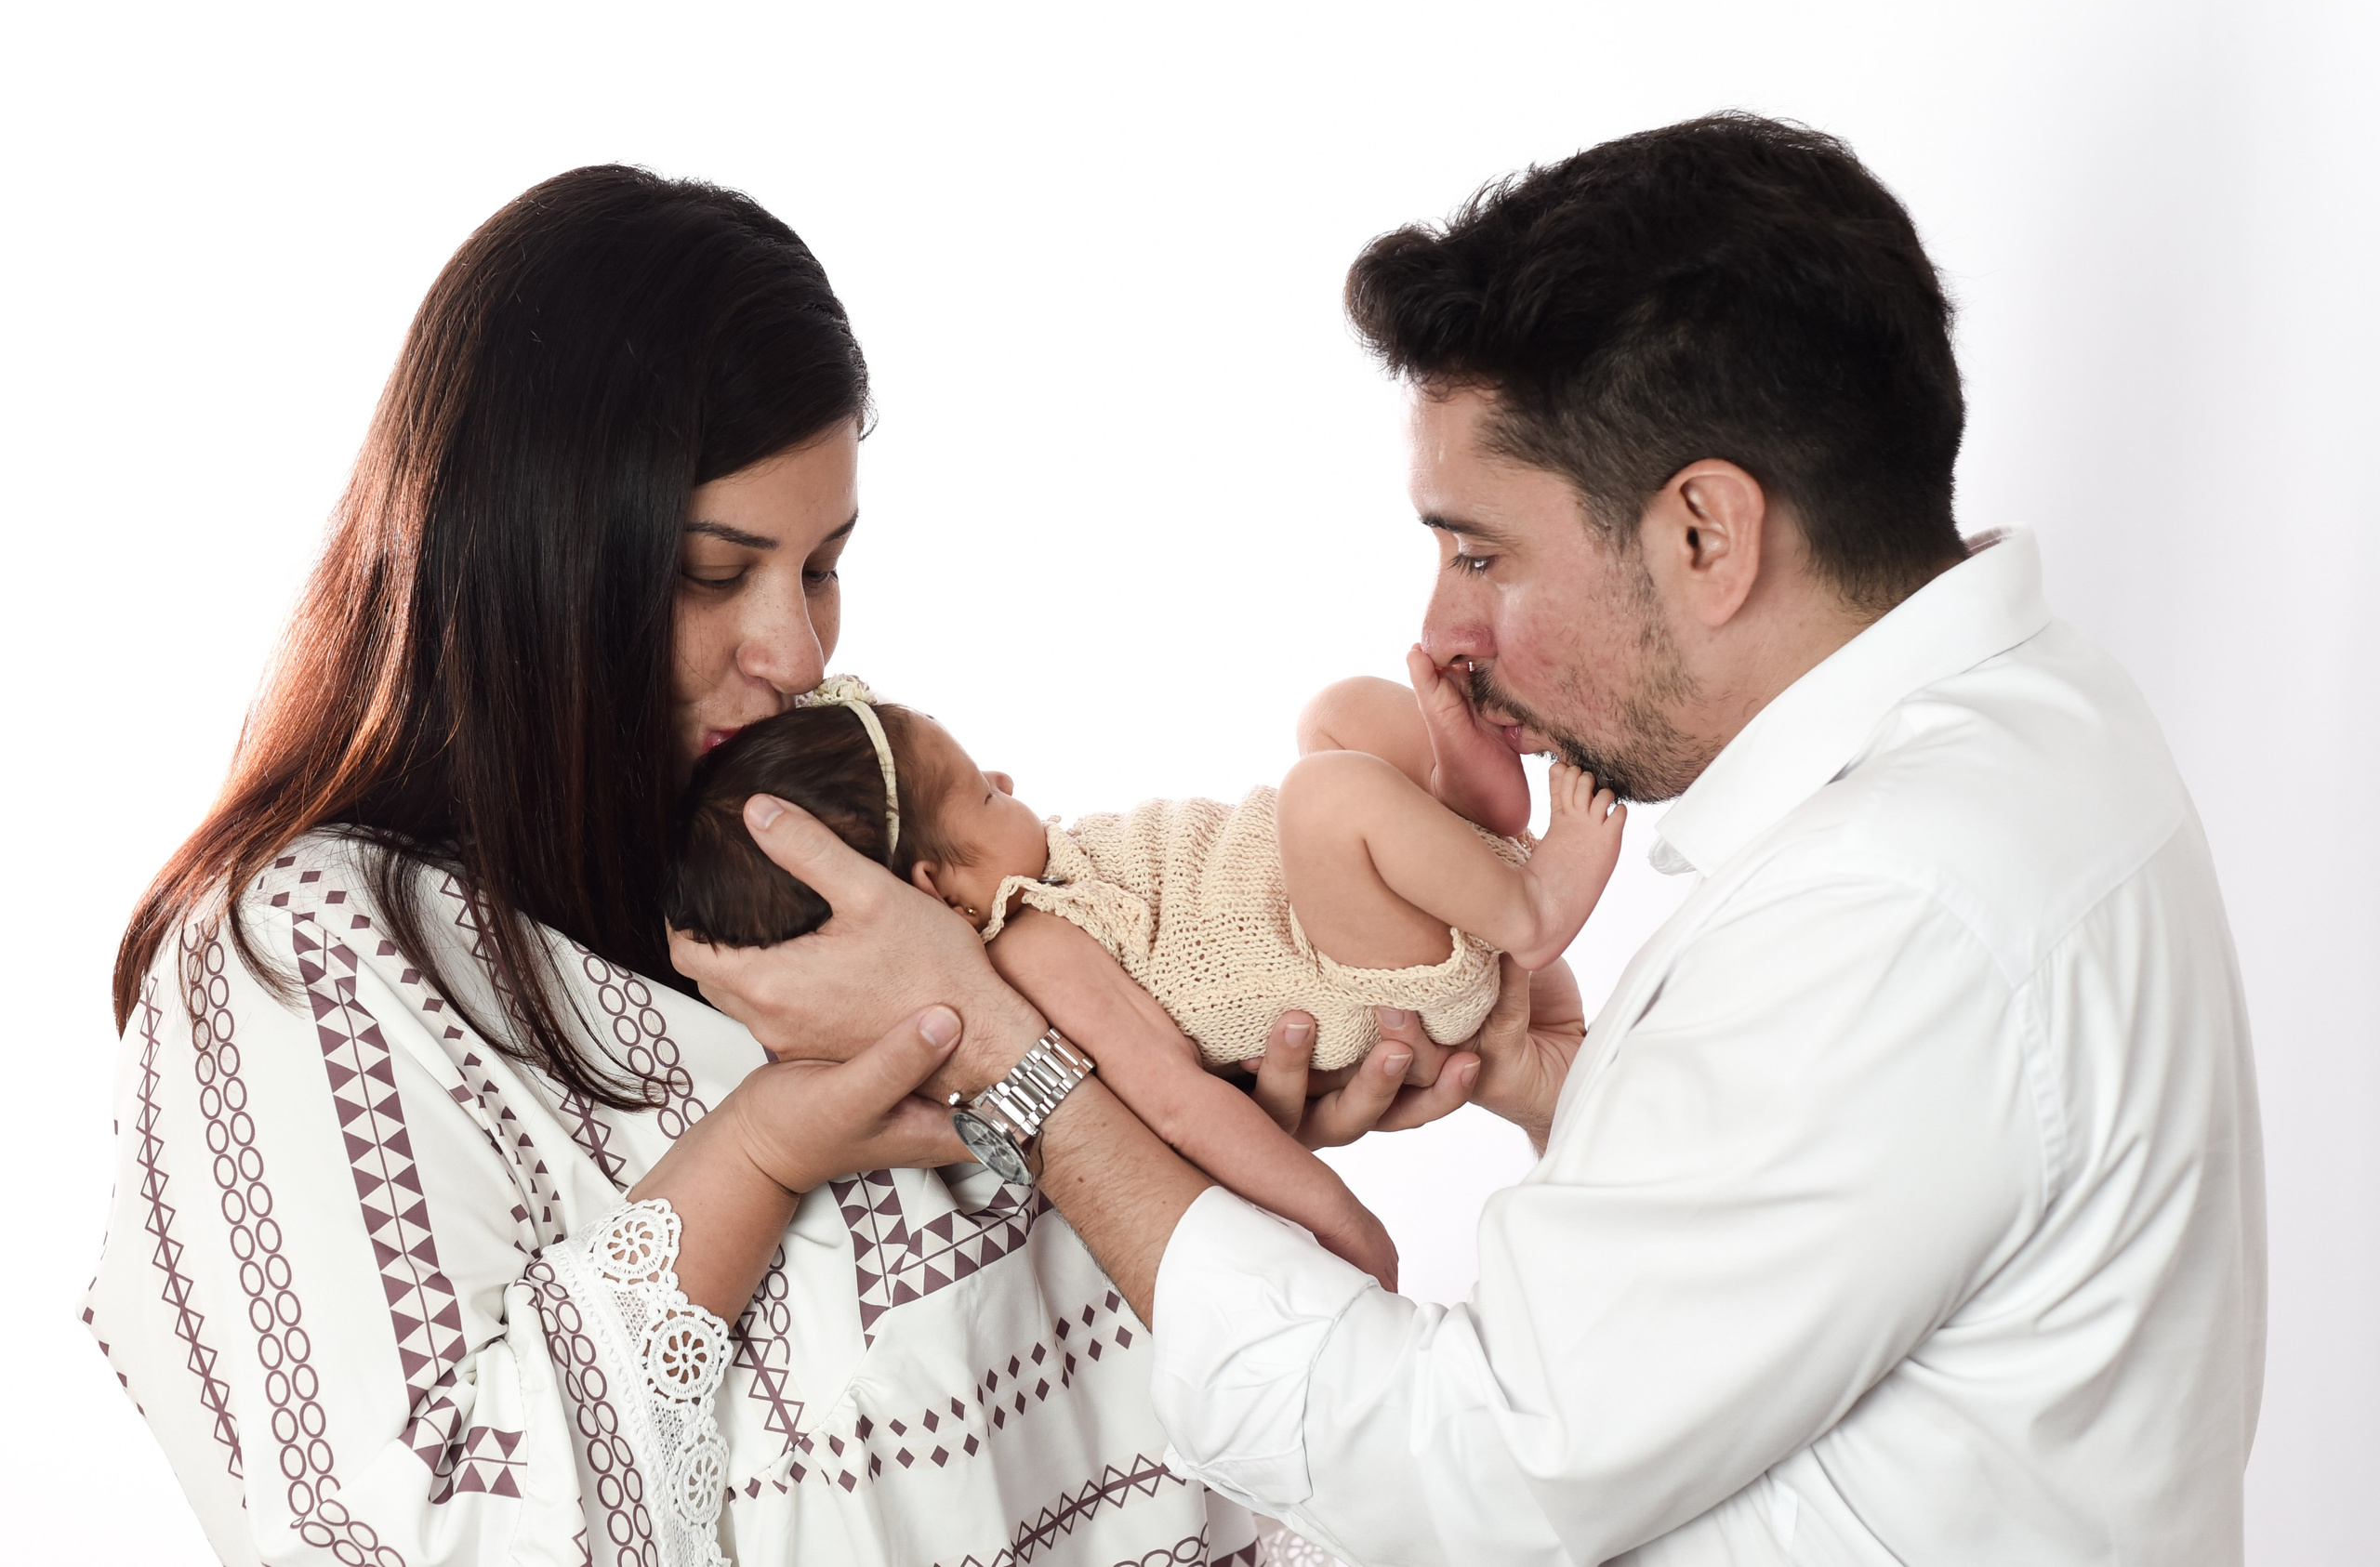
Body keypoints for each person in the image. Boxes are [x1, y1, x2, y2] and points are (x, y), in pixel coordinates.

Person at [676, 114, 2267, 1564]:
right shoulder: (2028, 730)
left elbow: (1478, 1474)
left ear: (1706, 533)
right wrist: (1570, 1092)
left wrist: (1021, 1066)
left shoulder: (1897, 904)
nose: (1445, 628)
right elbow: (1828, 1261)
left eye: (1479, 550)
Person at [85, 165, 1272, 1567]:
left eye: (823, 566)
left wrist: (1217, 1091)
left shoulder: (805, 863)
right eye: (717, 574)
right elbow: (402, 1535)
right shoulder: (303, 960)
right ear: (538, 558)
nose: (798, 652)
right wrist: (759, 1152)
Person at [660, 672, 1627, 1291]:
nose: (1006, 774)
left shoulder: (1049, 884)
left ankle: (1483, 818)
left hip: (1355, 908)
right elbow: (1181, 1104)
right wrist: (1339, 1219)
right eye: (983, 792)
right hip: (1364, 979)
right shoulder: (1032, 950)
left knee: (1334, 715)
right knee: (1324, 792)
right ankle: (1531, 904)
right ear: (937, 889)